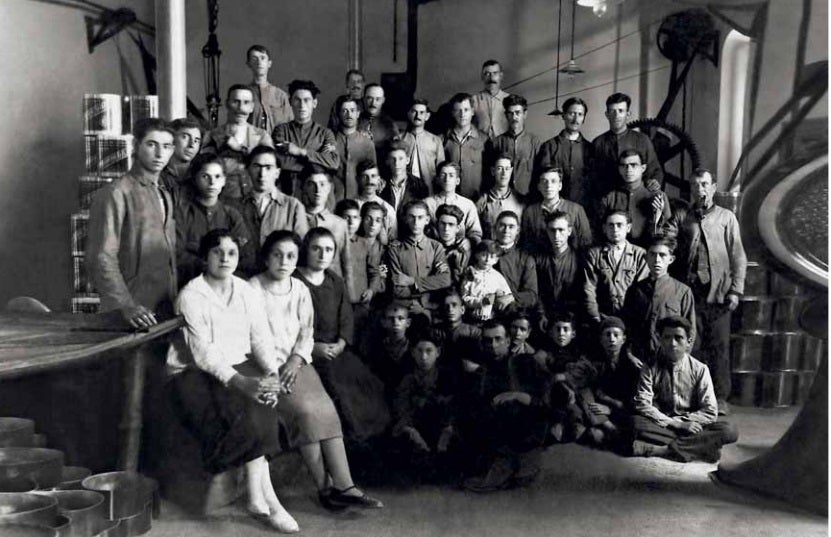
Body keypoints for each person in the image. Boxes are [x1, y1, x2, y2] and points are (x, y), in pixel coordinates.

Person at [166, 229, 299, 532]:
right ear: (204, 258)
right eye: (217, 252)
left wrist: (272, 373)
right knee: (246, 410)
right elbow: (204, 354)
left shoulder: (245, 290)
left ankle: (257, 497)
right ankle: (270, 502)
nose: (225, 258)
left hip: (234, 365)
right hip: (191, 373)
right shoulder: (191, 295)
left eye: (232, 253)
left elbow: (260, 337)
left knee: (264, 400)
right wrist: (243, 382)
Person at [248, 230, 383, 511]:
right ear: (266, 257)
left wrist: (297, 359)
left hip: (297, 362)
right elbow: (254, 336)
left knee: (325, 410)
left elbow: (306, 331)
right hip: (266, 367)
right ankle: (325, 489)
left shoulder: (298, 289)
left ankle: (346, 486)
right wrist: (275, 369)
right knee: (306, 413)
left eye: (290, 256)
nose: (284, 261)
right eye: (277, 255)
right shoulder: (253, 288)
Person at [294, 227, 391, 444]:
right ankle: (347, 442)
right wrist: (312, 348)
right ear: (305, 250)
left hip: (336, 349)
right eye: (316, 248)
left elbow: (346, 316)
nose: (322, 255)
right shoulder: (294, 281)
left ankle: (373, 441)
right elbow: (287, 325)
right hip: (306, 353)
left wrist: (341, 342)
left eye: (328, 250)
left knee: (368, 383)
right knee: (336, 390)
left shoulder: (335, 280)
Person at [87, 117, 177, 325]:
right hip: (131, 314)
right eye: (151, 144)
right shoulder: (116, 192)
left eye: (166, 146)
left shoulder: (164, 193)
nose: (159, 154)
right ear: (136, 146)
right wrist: (125, 306)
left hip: (163, 309)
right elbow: (101, 257)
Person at [674, 169, 747, 414]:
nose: (700, 190)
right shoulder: (685, 218)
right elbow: (672, 248)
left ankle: (720, 398)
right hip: (691, 292)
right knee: (693, 345)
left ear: (713, 187)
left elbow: (738, 256)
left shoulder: (726, 218)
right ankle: (695, 397)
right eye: (695, 185)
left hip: (718, 293)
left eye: (704, 184)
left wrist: (736, 290)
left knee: (719, 346)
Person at [460, 319, 551, 492]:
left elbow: (545, 403)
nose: (492, 345)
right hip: (496, 437)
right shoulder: (481, 371)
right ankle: (501, 465)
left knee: (525, 479)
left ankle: (519, 463)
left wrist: (519, 396)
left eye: (498, 339)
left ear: (508, 341)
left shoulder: (526, 363)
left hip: (529, 433)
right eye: (488, 340)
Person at [631, 316, 738, 462]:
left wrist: (686, 422)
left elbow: (710, 411)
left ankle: (663, 450)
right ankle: (701, 447)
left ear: (688, 342)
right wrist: (677, 424)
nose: (672, 343)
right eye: (667, 337)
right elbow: (643, 404)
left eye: (678, 338)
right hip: (665, 424)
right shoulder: (650, 367)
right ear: (660, 340)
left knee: (729, 430)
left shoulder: (700, 369)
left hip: (693, 425)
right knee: (635, 423)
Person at [391, 331, 460, 480]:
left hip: (442, 428)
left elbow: (454, 406)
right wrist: (410, 430)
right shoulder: (406, 378)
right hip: (415, 428)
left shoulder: (447, 376)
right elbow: (400, 407)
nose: (424, 357)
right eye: (419, 351)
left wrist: (448, 430)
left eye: (429, 351)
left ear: (438, 352)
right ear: (413, 352)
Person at [174, 154, 251, 286]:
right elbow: (177, 253)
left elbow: (246, 254)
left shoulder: (232, 215)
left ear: (224, 181)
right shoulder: (182, 213)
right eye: (205, 176)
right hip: (190, 282)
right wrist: (206, 265)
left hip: (227, 282)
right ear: (195, 179)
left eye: (217, 177)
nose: (212, 182)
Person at [622, 235, 696, 363]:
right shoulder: (635, 291)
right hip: (640, 359)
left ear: (671, 259)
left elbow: (691, 331)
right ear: (646, 258)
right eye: (652, 254)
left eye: (662, 255)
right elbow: (626, 326)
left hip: (670, 359)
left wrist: (680, 359)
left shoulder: (682, 291)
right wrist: (629, 353)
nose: (657, 260)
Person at [202, 85, 274, 202]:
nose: (241, 108)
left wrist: (239, 149)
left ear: (251, 107)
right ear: (227, 104)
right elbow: (205, 170)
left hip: (257, 201)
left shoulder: (262, 136)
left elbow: (270, 167)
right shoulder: (212, 136)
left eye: (246, 103)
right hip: (224, 202)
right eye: (236, 101)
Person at [579, 316, 642, 450]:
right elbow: (588, 390)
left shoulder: (632, 366)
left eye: (616, 335)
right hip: (597, 412)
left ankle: (610, 435)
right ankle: (609, 429)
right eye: (607, 335)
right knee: (584, 393)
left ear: (623, 339)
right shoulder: (594, 363)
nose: (612, 339)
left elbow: (634, 399)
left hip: (620, 411)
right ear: (601, 339)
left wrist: (612, 408)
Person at [272, 80, 341, 200]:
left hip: (319, 197)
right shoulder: (281, 131)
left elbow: (334, 162)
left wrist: (300, 152)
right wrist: (318, 160)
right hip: (288, 194)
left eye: (306, 100)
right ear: (290, 102)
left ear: (314, 103)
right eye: (297, 100)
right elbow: (280, 162)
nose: (302, 105)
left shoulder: (325, 133)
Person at [583, 209, 649, 323]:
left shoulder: (640, 254)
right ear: (604, 228)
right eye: (611, 225)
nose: (615, 229)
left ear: (628, 228)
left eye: (620, 225)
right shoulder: (594, 254)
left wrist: (633, 319)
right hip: (603, 318)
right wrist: (595, 317)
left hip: (631, 318)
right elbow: (589, 289)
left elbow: (641, 291)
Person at [592, 92, 663, 196]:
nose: (616, 115)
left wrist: (654, 182)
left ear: (628, 114)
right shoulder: (598, 143)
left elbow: (655, 170)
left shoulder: (642, 140)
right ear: (607, 115)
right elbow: (591, 176)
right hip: (606, 201)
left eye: (621, 111)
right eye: (612, 111)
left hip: (637, 200)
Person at [386, 200, 452, 312]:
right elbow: (397, 287)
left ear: (427, 220)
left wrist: (412, 281)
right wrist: (429, 286)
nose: (416, 222)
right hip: (403, 308)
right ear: (406, 219)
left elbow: (445, 279)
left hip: (430, 307)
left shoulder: (436, 247)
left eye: (420, 217)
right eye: (412, 217)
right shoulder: (395, 249)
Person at [301, 165, 354, 300]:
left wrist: (349, 299)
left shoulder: (340, 224)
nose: (318, 190)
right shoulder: (295, 220)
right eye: (312, 184)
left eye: (322, 184)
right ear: (304, 187)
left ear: (329, 187)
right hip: (301, 291)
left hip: (332, 293)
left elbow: (346, 265)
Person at [598, 150, 671, 248]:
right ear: (619, 169)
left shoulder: (657, 196)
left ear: (643, 168)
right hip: (617, 251)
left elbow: (668, 231)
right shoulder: (609, 198)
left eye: (634, 165)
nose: (628, 169)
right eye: (624, 165)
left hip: (648, 250)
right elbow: (600, 230)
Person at [535, 97, 594, 207]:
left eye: (580, 114)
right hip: (553, 208)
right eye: (572, 113)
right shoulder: (549, 146)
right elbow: (541, 181)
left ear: (584, 119)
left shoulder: (591, 149)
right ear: (563, 116)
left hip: (583, 208)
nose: (575, 119)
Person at [520, 167, 592, 255]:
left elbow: (586, 243)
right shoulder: (530, 212)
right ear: (539, 186)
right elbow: (526, 244)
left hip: (570, 264)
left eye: (553, 181)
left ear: (560, 186)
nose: (548, 186)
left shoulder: (576, 210)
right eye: (544, 181)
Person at [534, 211, 584, 325]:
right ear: (547, 231)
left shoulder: (580, 259)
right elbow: (537, 289)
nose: (556, 236)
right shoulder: (538, 259)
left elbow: (581, 293)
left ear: (569, 231)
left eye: (561, 230)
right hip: (545, 315)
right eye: (552, 230)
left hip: (571, 318)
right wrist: (541, 314)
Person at [486, 95, 541, 196]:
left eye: (518, 113)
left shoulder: (535, 142)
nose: (514, 117)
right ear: (506, 115)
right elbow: (489, 174)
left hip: (527, 199)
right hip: (503, 198)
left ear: (525, 114)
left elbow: (539, 173)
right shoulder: (496, 143)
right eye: (510, 113)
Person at [424, 161, 483, 245]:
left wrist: (469, 242)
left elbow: (476, 233)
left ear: (457, 181)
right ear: (437, 179)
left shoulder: (467, 204)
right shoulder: (427, 203)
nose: (447, 179)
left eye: (451, 175)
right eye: (443, 175)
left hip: (460, 250)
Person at [332, 96, 376, 201]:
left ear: (357, 113)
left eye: (352, 110)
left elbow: (372, 174)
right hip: (333, 200)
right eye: (344, 111)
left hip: (358, 201)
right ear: (339, 114)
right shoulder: (329, 140)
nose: (349, 114)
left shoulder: (367, 144)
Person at [443, 93, 487, 198]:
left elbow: (490, 172)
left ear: (472, 112)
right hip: (451, 199)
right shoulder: (443, 140)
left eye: (466, 110)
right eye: (458, 110)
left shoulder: (484, 140)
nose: (462, 114)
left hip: (477, 200)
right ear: (453, 113)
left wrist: (485, 196)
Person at [493, 211, 538, 309]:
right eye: (502, 225)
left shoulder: (525, 258)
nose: (506, 230)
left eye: (511, 227)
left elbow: (531, 295)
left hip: (514, 312)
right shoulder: (483, 252)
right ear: (495, 228)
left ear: (518, 230)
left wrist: (511, 297)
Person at [461, 240, 515, 322]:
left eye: (492, 257)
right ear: (476, 255)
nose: (487, 260)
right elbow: (464, 297)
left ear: (496, 260)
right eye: (483, 255)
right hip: (471, 317)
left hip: (492, 318)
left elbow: (508, 295)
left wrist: (500, 296)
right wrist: (481, 302)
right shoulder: (470, 273)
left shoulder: (497, 276)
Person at [475, 153, 525, 240]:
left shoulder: (520, 201)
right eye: (499, 168)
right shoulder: (482, 200)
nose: (504, 173)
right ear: (493, 171)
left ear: (511, 171)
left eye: (507, 169)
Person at [246, 44, 293, 133]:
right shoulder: (243, 94)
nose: (259, 62)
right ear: (249, 64)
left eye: (262, 58)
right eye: (254, 58)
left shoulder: (280, 95)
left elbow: (290, 125)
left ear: (269, 63)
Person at [400, 99, 445, 189]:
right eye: (414, 112)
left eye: (421, 112)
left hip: (429, 188)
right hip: (404, 188)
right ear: (408, 114)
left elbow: (441, 168)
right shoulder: (399, 138)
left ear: (427, 116)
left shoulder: (435, 140)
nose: (418, 116)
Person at [379, 141, 430, 215]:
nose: (396, 163)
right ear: (387, 161)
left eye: (401, 159)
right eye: (393, 159)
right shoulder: (381, 184)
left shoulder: (419, 185)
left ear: (407, 160)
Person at [159, 117, 203, 204]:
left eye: (196, 140)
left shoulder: (201, 176)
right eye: (185, 137)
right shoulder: (157, 175)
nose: (192, 145)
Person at [359, 83, 400, 168]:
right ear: (363, 99)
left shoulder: (390, 125)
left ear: (383, 100)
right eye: (369, 98)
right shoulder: (354, 122)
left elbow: (396, 153)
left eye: (378, 99)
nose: (373, 103)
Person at [354, 160, 397, 241]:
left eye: (373, 176)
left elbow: (393, 240)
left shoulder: (388, 209)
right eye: (365, 176)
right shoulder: (352, 207)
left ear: (378, 179)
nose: (369, 181)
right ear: (358, 179)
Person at [470, 60, 511, 139]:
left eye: (495, 73)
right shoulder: (474, 100)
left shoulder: (510, 100)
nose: (491, 78)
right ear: (482, 77)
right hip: (479, 148)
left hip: (503, 148)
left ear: (501, 76)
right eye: (487, 74)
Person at [433, 204, 471, 285]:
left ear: (457, 228)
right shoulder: (430, 247)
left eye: (451, 224)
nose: (446, 229)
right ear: (437, 225)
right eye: (443, 224)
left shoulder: (466, 250)